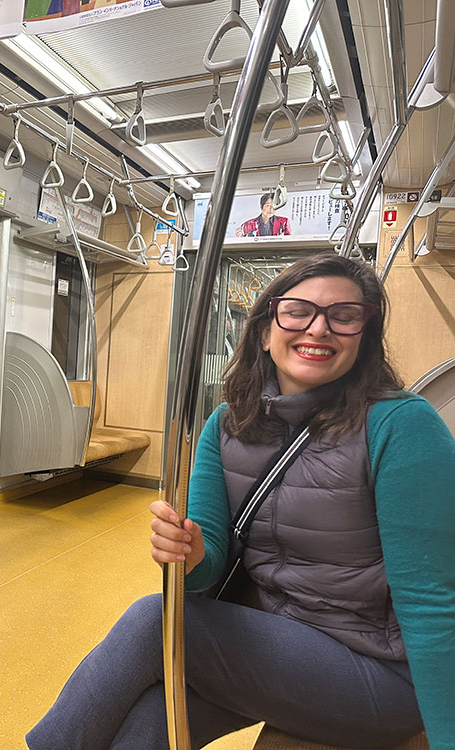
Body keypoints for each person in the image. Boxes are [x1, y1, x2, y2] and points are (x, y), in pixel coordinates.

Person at [26, 253, 455, 750]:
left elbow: (430, 602)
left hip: (374, 671)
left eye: (344, 316)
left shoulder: (400, 426)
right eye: (298, 312)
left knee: (153, 621)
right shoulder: (229, 424)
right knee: (149, 724)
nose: (318, 329)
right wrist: (191, 554)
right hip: (275, 642)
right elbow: (208, 569)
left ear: (364, 337)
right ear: (265, 330)